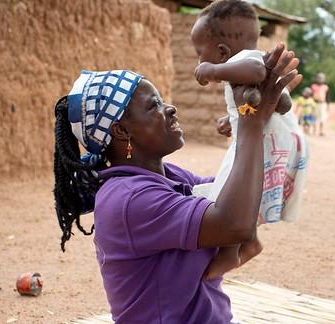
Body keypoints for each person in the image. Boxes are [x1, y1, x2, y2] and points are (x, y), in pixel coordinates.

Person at [52, 44, 300, 322]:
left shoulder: (169, 177)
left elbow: (246, 197)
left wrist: (255, 120)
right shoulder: (129, 198)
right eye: (154, 105)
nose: (170, 108)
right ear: (121, 131)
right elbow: (236, 224)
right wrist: (250, 124)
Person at [190, 0, 308, 280]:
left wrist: (212, 71)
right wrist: (229, 119)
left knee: (229, 192)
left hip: (262, 141)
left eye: (199, 55)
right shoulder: (246, 63)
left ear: (221, 52)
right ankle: (249, 242)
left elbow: (257, 73)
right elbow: (273, 103)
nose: (198, 62)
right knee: (247, 193)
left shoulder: (247, 62)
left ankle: (231, 253)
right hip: (277, 137)